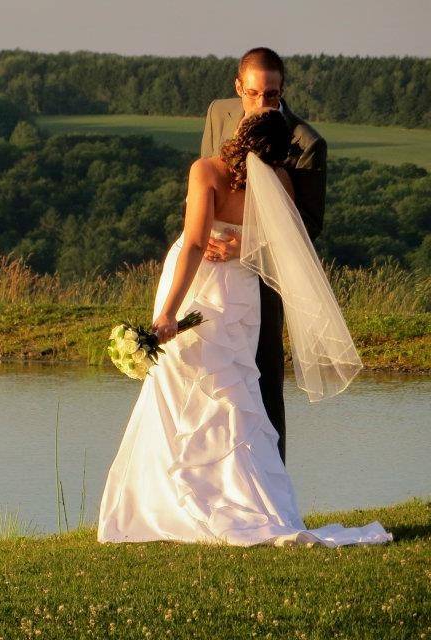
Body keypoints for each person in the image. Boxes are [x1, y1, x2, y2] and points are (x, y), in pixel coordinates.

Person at [95, 106, 393, 547]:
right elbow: (285, 244)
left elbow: (195, 243)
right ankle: (248, 501)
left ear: (240, 133)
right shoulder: (279, 180)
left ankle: (173, 502)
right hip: (240, 296)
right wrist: (245, 244)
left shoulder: (206, 171)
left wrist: (168, 314)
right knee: (234, 391)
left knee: (178, 387)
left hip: (197, 286)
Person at [198, 47, 327, 467]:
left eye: (271, 94)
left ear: (282, 90)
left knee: (263, 379)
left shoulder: (305, 143)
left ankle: (274, 490)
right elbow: (207, 188)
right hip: (214, 273)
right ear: (239, 87)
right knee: (210, 376)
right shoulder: (219, 113)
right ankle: (216, 481)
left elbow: (308, 226)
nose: (261, 103)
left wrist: (247, 244)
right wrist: (207, 242)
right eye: (253, 93)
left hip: (266, 277)